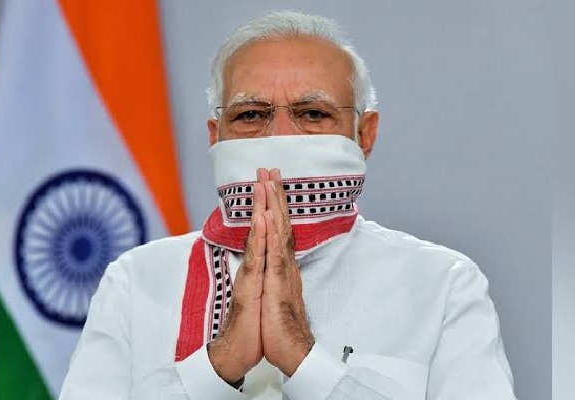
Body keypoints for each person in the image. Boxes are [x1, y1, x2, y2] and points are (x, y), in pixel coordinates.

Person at [59, 11, 517, 400]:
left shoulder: (442, 285)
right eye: (251, 115)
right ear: (216, 137)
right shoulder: (136, 282)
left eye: (313, 114)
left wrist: (303, 359)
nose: (280, 137)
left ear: (364, 134)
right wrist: (219, 365)